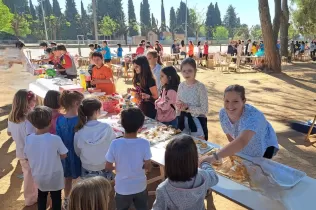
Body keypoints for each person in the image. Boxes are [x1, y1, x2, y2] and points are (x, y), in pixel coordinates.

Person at [201, 85, 279, 166]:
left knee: (260, 169)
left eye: (235, 101)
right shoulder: (223, 113)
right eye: (227, 101)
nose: (230, 106)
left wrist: (214, 157)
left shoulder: (254, 116)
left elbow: (242, 141)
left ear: (244, 101)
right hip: (244, 145)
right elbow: (230, 135)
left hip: (264, 146)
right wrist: (235, 152)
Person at [152, 135, 218, 210]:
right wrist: (204, 162)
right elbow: (215, 177)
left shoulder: (163, 189)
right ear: (194, 159)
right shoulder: (203, 176)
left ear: (168, 162)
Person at [105, 108, 152, 210]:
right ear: (141, 126)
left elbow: (108, 166)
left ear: (121, 124)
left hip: (122, 188)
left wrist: (119, 168)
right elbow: (148, 166)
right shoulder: (145, 143)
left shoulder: (115, 143)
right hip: (140, 186)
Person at [25, 106, 68, 210]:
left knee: (42, 196)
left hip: (39, 175)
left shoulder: (28, 139)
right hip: (55, 175)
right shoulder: (55, 139)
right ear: (50, 122)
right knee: (56, 197)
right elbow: (64, 155)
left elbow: (26, 156)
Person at [7, 90, 37, 206]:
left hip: (20, 152)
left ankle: (32, 196)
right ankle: (31, 198)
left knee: (28, 174)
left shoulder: (11, 117)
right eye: (33, 100)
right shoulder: (29, 118)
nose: (35, 103)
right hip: (30, 153)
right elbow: (31, 137)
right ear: (27, 102)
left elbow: (9, 133)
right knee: (31, 176)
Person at [74, 98, 116, 179]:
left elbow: (77, 151)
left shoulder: (79, 131)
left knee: (89, 191)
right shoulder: (106, 128)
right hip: (104, 165)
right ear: (96, 111)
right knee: (105, 190)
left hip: (87, 167)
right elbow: (113, 147)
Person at [56, 90, 84, 209]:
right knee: (80, 179)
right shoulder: (80, 120)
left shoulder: (60, 119)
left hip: (65, 155)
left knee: (67, 178)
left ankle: (66, 200)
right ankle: (78, 201)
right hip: (78, 154)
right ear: (75, 103)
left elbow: (58, 138)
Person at [176, 58, 208, 140]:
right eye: (184, 71)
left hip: (196, 122)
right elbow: (178, 102)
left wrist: (188, 108)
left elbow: (204, 110)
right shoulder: (181, 86)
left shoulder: (200, 87)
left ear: (195, 71)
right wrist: (179, 107)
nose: (186, 73)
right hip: (183, 120)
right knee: (184, 146)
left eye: (189, 70)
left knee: (198, 147)